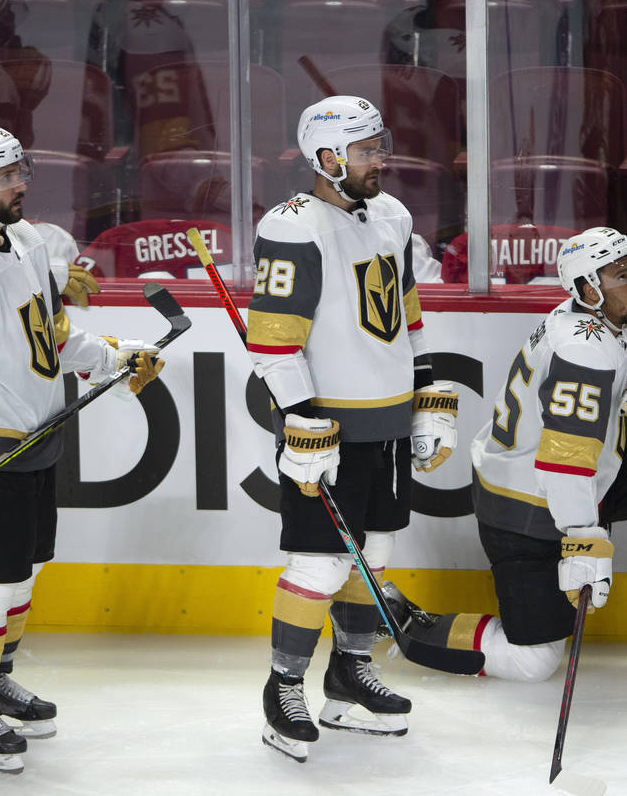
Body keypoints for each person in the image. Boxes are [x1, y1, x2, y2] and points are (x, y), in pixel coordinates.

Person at [0, 124, 164, 774]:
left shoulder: (30, 243)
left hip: (37, 441)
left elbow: (52, 335)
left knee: (23, 574)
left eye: (20, 171)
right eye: (7, 174)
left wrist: (112, 359)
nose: (22, 183)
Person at [381, 227, 627, 682]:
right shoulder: (582, 349)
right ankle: (406, 621)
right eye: (621, 277)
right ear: (589, 289)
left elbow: (624, 379)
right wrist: (581, 537)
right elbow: (564, 458)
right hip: (524, 509)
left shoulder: (611, 318)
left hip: (584, 483)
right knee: (531, 662)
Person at [249, 95, 459, 763]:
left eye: (379, 145)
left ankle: (349, 673)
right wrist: (300, 422)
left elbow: (408, 314)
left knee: (376, 558)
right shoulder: (291, 227)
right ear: (327, 157)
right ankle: (283, 688)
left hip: (389, 420)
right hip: (328, 428)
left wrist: (425, 394)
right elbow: (274, 343)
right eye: (366, 150)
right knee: (317, 563)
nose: (380, 159)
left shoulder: (391, 216)